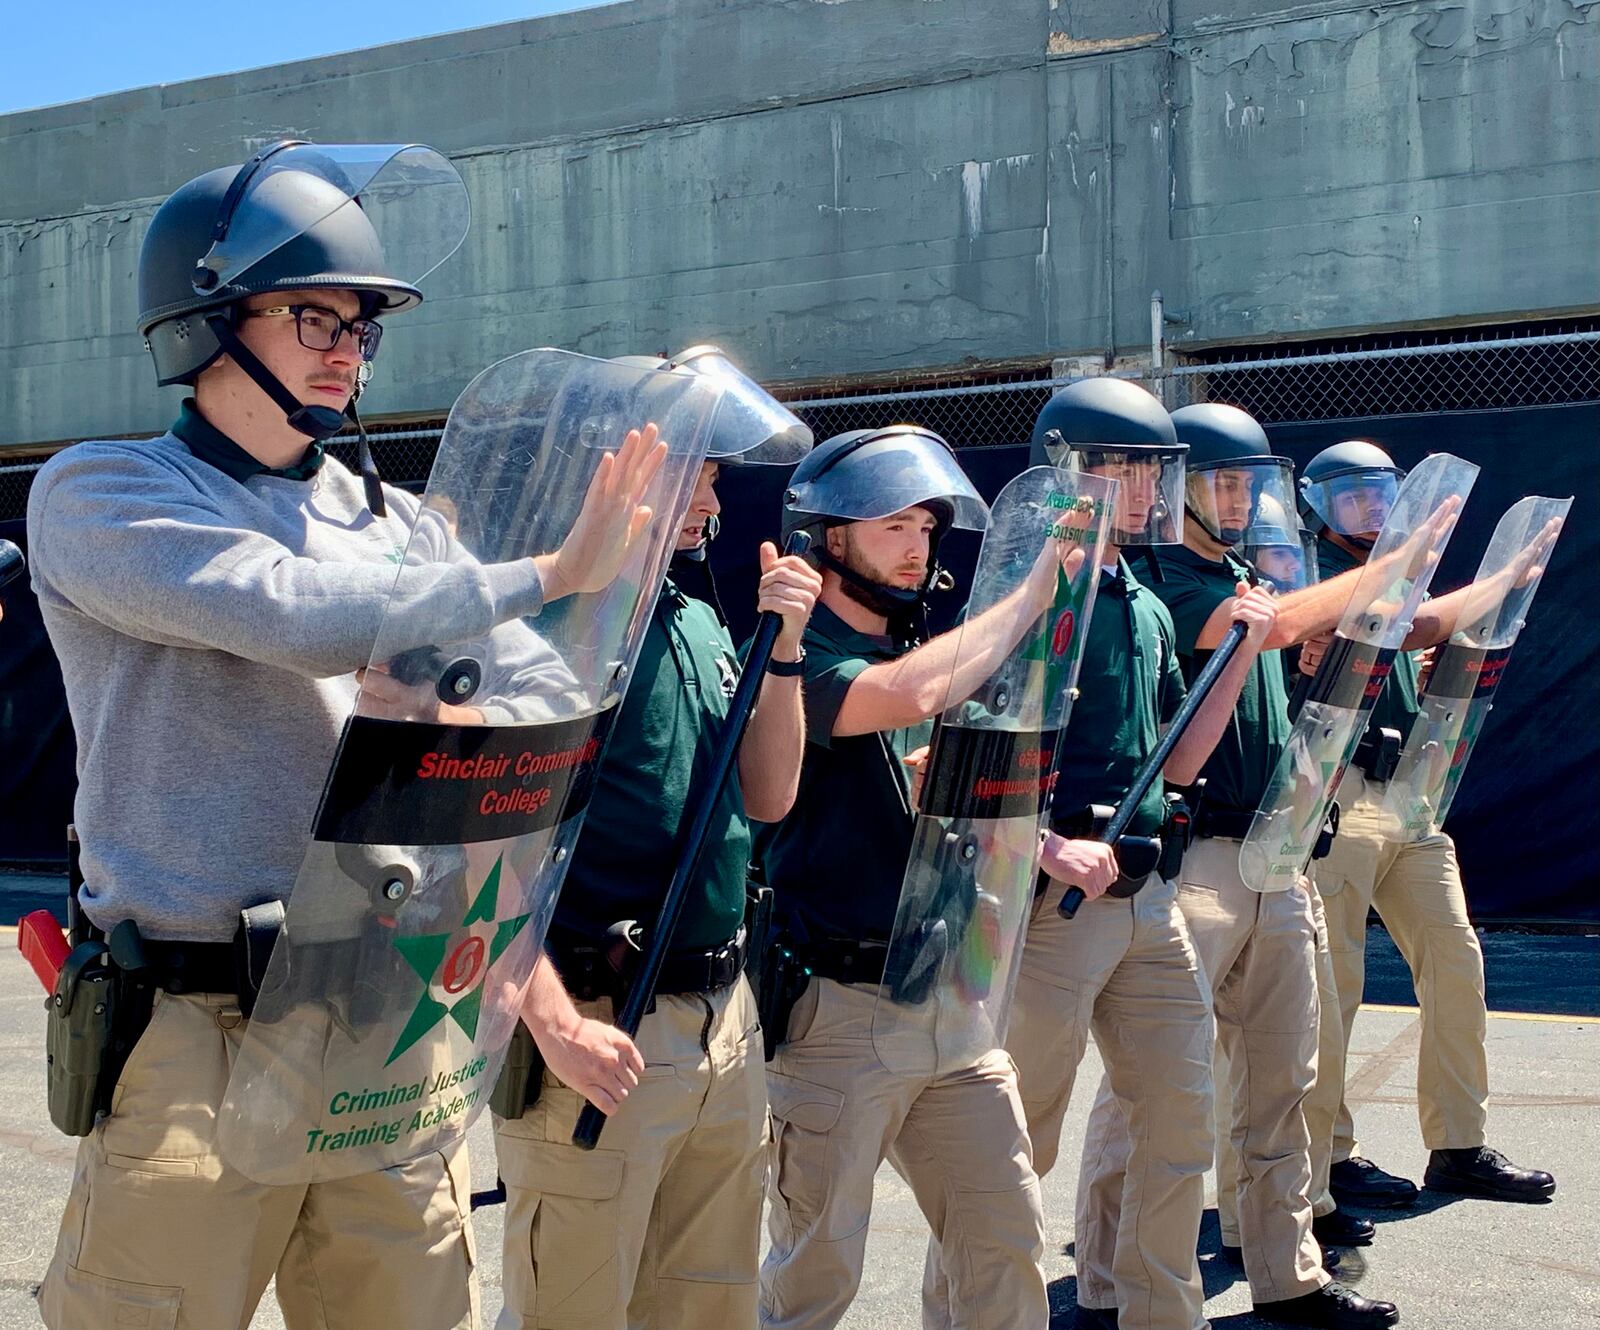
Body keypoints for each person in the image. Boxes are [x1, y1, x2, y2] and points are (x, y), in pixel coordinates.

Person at [25, 141, 663, 1330]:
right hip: (198, 1016)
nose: (346, 352)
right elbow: (285, 609)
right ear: (208, 321)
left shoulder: (403, 524)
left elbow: (538, 695)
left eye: (363, 328)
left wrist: (466, 691)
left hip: (385, 1005)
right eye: (313, 317)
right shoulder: (99, 492)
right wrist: (544, 574)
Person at [491, 355, 823, 1330]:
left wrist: (785, 648)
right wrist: (555, 1026)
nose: (712, 490)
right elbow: (477, 859)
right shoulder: (547, 630)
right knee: (574, 1307)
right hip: (601, 1024)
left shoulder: (696, 618)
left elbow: (769, 795)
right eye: (695, 466)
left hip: (721, 1015)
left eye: (715, 473)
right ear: (615, 466)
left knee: (707, 1307)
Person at [951, 376, 1274, 1330]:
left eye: (1151, 468)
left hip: (1146, 898)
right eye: (1122, 467)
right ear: (1068, 473)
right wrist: (1052, 850)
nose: (1144, 487)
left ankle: (1158, 1314)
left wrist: (1241, 658)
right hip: (1050, 910)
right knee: (1010, 1146)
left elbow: (1177, 759)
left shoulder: (1140, 599)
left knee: (1177, 1125)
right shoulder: (1028, 593)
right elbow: (967, 761)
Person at [756, 424, 1069, 1330]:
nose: (917, 546)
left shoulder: (913, 646)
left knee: (1003, 1242)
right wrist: (1026, 595)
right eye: (893, 524)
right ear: (831, 536)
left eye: (928, 529)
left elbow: (911, 720)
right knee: (813, 1275)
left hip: (950, 987)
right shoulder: (791, 648)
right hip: (841, 1008)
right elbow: (903, 696)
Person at [1097, 403, 1398, 1328]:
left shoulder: (1237, 576)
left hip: (1276, 855)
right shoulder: (1170, 584)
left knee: (1284, 1079)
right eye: (1222, 482)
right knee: (1149, 1094)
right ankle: (1111, 1287)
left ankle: (1288, 1273)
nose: (1238, 502)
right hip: (1197, 863)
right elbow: (1256, 629)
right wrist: (1390, 566)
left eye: (1248, 484)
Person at [1297, 441, 1557, 1212]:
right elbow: (1404, 627)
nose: (1371, 509)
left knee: (1455, 962)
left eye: (1382, 492)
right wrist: (1503, 579)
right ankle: (1327, 1160)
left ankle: (1459, 1145)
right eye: (1351, 496)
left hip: (1407, 798)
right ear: (1317, 504)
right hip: (1331, 799)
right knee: (1332, 985)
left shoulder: (1398, 570)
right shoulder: (1310, 575)